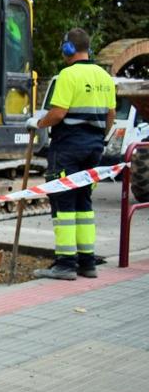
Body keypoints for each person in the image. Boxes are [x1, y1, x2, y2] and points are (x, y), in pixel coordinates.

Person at [26, 27, 116, 280]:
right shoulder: (104, 77)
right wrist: (97, 137)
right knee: (83, 203)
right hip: (94, 147)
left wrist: (38, 123)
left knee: (63, 204)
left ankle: (65, 264)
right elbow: (110, 115)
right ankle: (87, 263)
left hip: (68, 147)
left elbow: (58, 113)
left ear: (68, 49)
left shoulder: (68, 75)